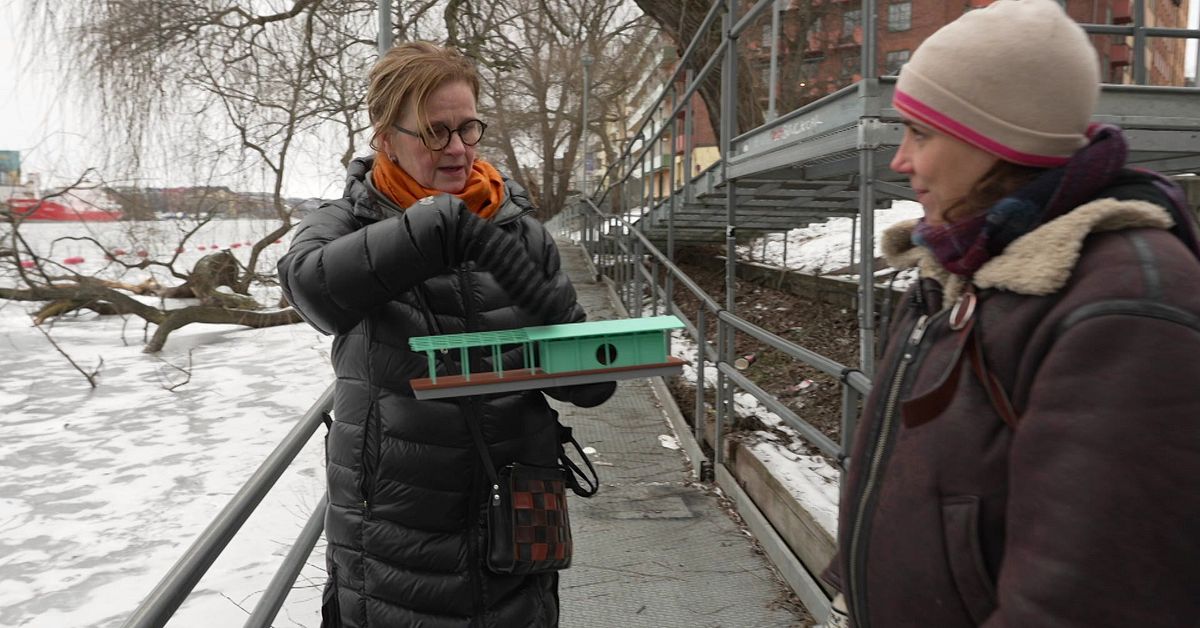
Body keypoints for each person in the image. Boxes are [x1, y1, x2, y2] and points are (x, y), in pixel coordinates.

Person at [822, 1, 1200, 626]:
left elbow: (1089, 600)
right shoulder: (961, 262)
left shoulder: (1128, 308)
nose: (900, 162)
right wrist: (852, 583)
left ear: (994, 139)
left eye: (920, 133)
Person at [277, 41, 615, 628]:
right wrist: (432, 226)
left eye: (468, 128)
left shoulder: (522, 232)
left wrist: (596, 366)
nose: (458, 149)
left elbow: (579, 375)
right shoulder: (346, 221)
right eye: (436, 132)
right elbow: (310, 286)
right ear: (386, 137)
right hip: (396, 537)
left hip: (515, 520)